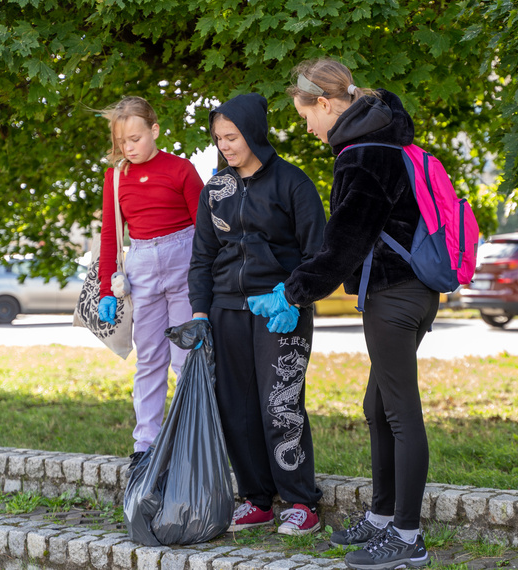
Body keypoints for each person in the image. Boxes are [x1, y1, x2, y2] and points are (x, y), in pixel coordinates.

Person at [252, 59, 438, 569]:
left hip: (395, 296)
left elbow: (343, 247)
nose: (307, 127)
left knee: (400, 413)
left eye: (306, 115)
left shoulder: (364, 155)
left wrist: (292, 293)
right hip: (407, 293)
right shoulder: (383, 140)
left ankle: (407, 537)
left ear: (328, 104)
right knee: (377, 409)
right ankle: (381, 519)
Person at [187, 93, 326, 536]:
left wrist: (295, 298)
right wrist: (200, 314)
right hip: (227, 309)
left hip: (280, 310)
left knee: (279, 406)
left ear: (253, 133)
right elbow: (202, 257)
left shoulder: (293, 184)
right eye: (218, 138)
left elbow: (319, 253)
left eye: (232, 136)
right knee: (236, 408)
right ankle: (257, 499)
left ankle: (302, 502)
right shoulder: (216, 190)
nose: (225, 145)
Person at [95, 96, 205, 471]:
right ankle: (146, 443)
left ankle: (192, 438)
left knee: (185, 357)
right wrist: (107, 290)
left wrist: (207, 279)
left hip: (183, 262)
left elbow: (205, 230)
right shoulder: (116, 178)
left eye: (136, 139)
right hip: (141, 266)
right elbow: (111, 236)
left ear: (155, 130)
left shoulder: (182, 170)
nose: (129, 148)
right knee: (150, 359)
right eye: (122, 142)